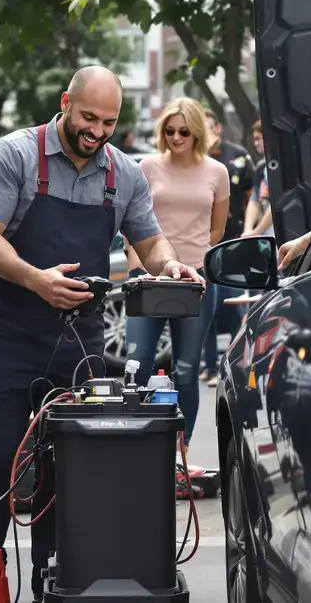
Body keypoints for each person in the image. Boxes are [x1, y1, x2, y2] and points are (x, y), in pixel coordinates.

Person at [0, 66, 203, 603]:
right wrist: (34, 279)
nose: (97, 130)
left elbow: (150, 239)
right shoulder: (14, 155)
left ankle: (59, 575)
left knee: (68, 462)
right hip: (7, 328)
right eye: (88, 117)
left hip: (78, 338)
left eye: (108, 122)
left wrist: (170, 267)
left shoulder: (124, 174)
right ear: (66, 102)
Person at [125, 97, 228, 446]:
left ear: (197, 132)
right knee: (137, 365)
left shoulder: (217, 172)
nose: (176, 137)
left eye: (184, 131)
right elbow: (131, 222)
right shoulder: (148, 166)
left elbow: (217, 231)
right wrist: (134, 262)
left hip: (196, 280)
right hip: (148, 278)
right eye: (169, 130)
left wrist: (193, 255)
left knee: (186, 369)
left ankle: (180, 453)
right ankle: (138, 446)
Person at [199, 109, 254, 387]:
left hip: (233, 244)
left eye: (210, 127)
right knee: (204, 309)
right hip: (203, 245)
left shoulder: (239, 157)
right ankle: (209, 366)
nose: (206, 133)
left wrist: (249, 232)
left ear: (218, 128)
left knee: (235, 307)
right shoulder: (195, 159)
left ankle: (235, 365)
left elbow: (250, 197)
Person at [242, 120, 275, 239]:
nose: (255, 143)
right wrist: (248, 230)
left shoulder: (282, 166)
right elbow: (254, 198)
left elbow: (278, 202)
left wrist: (257, 231)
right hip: (269, 231)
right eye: (254, 139)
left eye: (258, 138)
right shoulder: (261, 167)